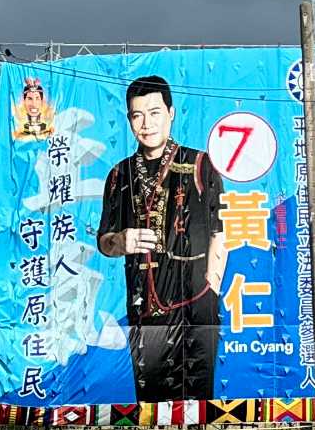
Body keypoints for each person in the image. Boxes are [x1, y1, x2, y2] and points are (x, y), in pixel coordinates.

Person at [96, 75, 228, 403]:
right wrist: (120, 241)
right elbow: (103, 240)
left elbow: (219, 232)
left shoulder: (200, 164)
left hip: (196, 300)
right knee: (151, 395)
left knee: (198, 398)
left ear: (171, 113)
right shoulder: (119, 175)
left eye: (155, 113)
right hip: (145, 303)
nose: (146, 124)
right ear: (129, 119)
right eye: (137, 115)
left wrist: (211, 286)